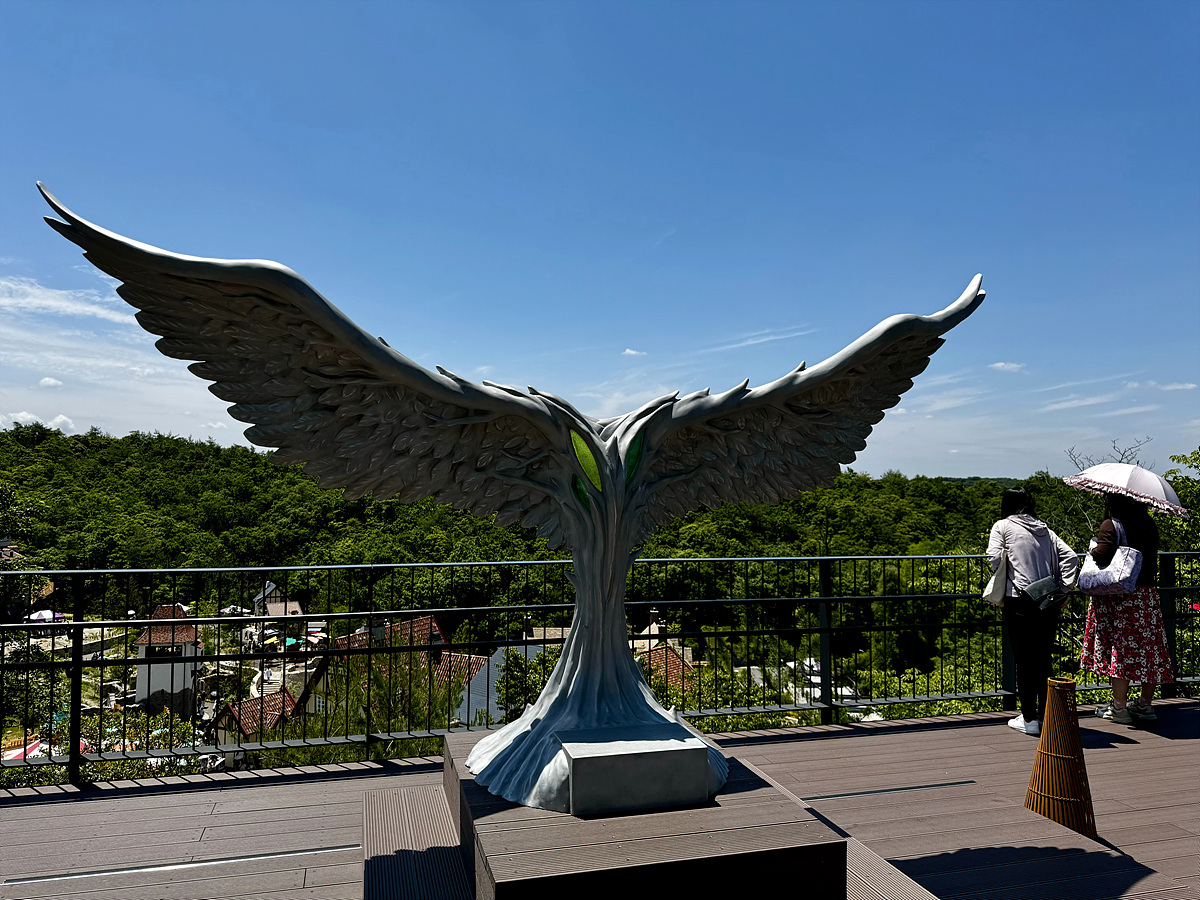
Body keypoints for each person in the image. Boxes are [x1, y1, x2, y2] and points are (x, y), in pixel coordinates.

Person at [987, 488, 1078, 736]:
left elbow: (993, 558)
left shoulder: (1002, 526)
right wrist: (1064, 589)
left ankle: (1028, 719)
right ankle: (1046, 715)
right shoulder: (1045, 530)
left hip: (1019, 601)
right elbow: (1070, 557)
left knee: (1024, 662)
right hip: (1047, 600)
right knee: (1043, 660)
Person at [1080, 493, 1172, 724]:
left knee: (1121, 651)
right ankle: (1145, 705)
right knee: (1150, 650)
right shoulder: (1148, 523)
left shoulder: (1112, 524)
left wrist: (1093, 549)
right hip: (1146, 596)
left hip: (1119, 599)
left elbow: (1102, 553)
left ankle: (1119, 708)